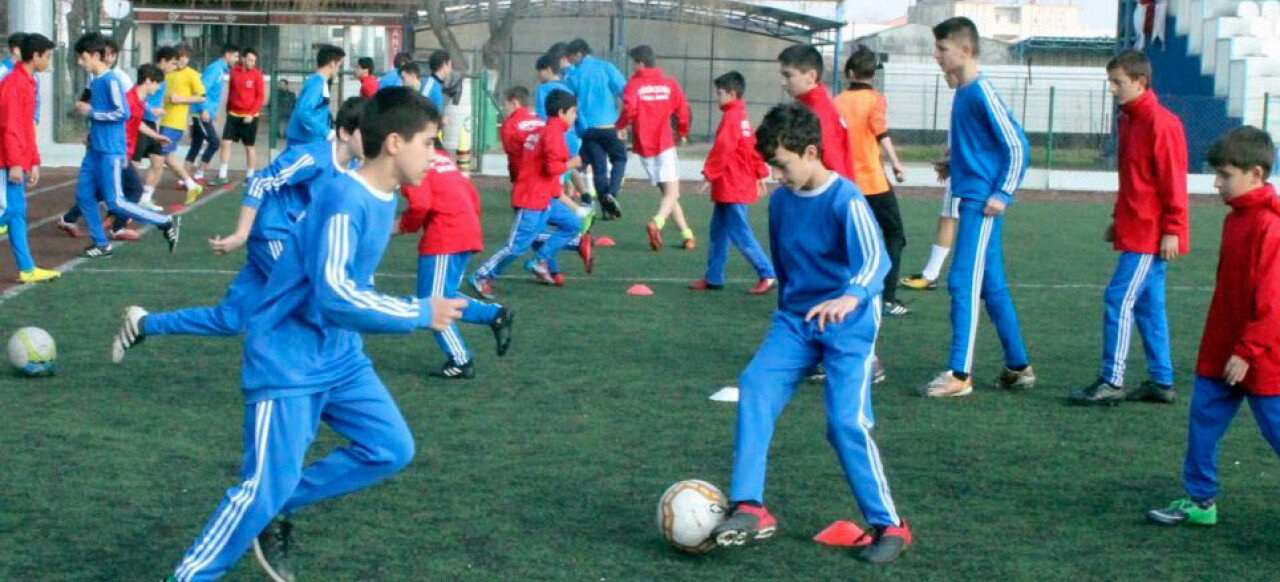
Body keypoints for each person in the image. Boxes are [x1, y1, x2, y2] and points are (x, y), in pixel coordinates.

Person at [159, 87, 466, 582]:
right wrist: (417, 311)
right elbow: (337, 295)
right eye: (429, 143)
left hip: (339, 356)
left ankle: (276, 505)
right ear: (393, 142)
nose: (437, 155)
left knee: (390, 447)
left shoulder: (384, 197)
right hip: (289, 359)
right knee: (259, 489)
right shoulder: (346, 197)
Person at [709, 103, 911, 564]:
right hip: (797, 321)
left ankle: (890, 525)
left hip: (849, 323)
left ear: (811, 152)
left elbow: (875, 262)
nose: (777, 176)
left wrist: (850, 296)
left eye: (782, 164)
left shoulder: (847, 200)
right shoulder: (781, 202)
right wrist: (790, 325)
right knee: (756, 386)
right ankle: (750, 506)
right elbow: (784, 263)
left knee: (844, 423)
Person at [111, 97, 368, 364]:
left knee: (231, 319)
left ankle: (142, 323)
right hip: (273, 237)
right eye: (368, 133)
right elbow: (259, 183)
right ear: (345, 133)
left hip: (289, 241)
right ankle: (322, 371)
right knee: (315, 297)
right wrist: (242, 234)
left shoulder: (349, 170)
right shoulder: (312, 158)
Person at [1145, 126, 1280, 528]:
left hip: (1259, 355)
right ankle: (1201, 500)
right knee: (1202, 421)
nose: (1216, 183)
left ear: (1255, 174)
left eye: (1225, 175)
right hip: (1222, 349)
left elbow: (1274, 303)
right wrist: (1227, 348)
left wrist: (1247, 351)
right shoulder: (1236, 219)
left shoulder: (1270, 227)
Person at [919, 17, 1035, 398]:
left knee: (961, 281)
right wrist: (952, 163)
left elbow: (1017, 145)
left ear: (965, 50)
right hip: (972, 195)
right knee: (992, 286)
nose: (936, 56)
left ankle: (960, 374)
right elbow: (981, 146)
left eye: (942, 49)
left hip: (981, 205)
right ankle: (1018, 366)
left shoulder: (981, 91)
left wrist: (1002, 193)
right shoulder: (963, 92)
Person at [1070, 49, 1189, 406]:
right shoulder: (1130, 120)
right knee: (1149, 307)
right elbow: (1134, 180)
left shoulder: (1161, 123)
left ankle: (1112, 379)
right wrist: (1116, 218)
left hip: (1150, 233)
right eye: (1111, 81)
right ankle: (1161, 381)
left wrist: (1173, 228)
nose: (1112, 89)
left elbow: (1173, 182)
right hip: (1136, 227)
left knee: (1118, 299)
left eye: (1117, 82)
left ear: (1140, 82)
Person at [396, 145, 515, 379]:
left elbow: (420, 204)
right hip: (464, 230)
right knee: (445, 296)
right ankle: (495, 315)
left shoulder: (414, 158)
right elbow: (472, 195)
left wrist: (403, 226)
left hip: (445, 236)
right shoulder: (442, 159)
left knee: (432, 303)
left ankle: (460, 360)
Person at [72, 33, 179, 259]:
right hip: (95, 149)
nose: (80, 63)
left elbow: (123, 113)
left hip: (110, 151)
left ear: (94, 56)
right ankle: (101, 243)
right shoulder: (95, 80)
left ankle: (165, 221)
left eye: (82, 58)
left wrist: (92, 112)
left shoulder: (111, 80)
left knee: (115, 201)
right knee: (84, 196)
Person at [470, 89, 586, 298]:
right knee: (516, 246)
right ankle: (482, 275)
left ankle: (541, 259)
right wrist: (574, 162)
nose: (575, 116)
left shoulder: (546, 130)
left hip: (543, 197)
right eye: (573, 112)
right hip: (531, 199)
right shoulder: (551, 133)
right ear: (561, 112)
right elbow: (552, 169)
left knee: (572, 225)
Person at [834, 45, 909, 316]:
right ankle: (888, 298)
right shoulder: (876, 99)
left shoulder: (837, 101)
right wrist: (896, 163)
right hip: (873, 182)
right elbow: (880, 131)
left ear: (850, 73)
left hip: (844, 183)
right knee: (894, 235)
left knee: (846, 239)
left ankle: (841, 292)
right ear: (872, 75)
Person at [60, 63, 172, 242]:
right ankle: (117, 227)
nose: (158, 88)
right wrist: (121, 153)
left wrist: (156, 137)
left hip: (117, 151)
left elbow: (136, 123)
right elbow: (117, 121)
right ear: (148, 81)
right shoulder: (127, 98)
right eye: (157, 84)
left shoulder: (139, 101)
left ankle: (71, 219)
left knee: (102, 191)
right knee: (132, 189)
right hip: (115, 152)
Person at [691, 71, 773, 295]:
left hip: (732, 185)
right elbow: (750, 147)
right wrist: (760, 173)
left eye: (720, 93)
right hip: (733, 184)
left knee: (739, 232)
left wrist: (708, 175)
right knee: (718, 232)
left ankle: (767, 273)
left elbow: (724, 149)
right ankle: (713, 277)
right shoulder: (741, 117)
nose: (717, 98)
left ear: (732, 94)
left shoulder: (732, 118)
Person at [616, 45, 695, 251]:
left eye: (634, 63)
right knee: (672, 193)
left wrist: (621, 126)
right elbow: (683, 110)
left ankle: (687, 235)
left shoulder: (634, 84)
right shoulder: (669, 84)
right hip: (664, 143)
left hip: (644, 147)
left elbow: (628, 108)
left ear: (640, 63)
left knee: (668, 194)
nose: (633, 67)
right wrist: (684, 132)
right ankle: (656, 223)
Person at [0, 32, 59, 283]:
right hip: (5, 161)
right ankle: (26, 267)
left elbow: (26, 128)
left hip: (14, 159)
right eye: (47, 56)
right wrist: (15, 162)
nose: (49, 61)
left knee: (16, 212)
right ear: (34, 56)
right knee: (9, 211)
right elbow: (9, 126)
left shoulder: (28, 81)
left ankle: (26, 268)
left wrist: (33, 160)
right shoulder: (14, 83)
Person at [565, 38, 627, 218]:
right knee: (620, 159)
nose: (570, 62)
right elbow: (625, 91)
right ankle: (611, 193)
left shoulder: (574, 75)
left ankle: (606, 210)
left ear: (578, 54)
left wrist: (577, 126)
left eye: (571, 58)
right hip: (609, 125)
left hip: (588, 129)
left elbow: (569, 101)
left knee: (599, 166)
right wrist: (625, 120)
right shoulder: (606, 67)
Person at [777, 44, 851, 179]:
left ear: (811, 76)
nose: (783, 82)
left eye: (788, 75)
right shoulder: (812, 106)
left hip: (826, 196)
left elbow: (833, 163)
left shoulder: (817, 113)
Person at [158, 44, 207, 206]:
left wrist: (181, 99)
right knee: (166, 157)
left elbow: (201, 97)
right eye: (179, 57)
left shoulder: (191, 74)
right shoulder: (168, 73)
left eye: (185, 57)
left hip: (175, 122)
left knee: (161, 156)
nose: (182, 60)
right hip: (163, 120)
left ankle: (145, 193)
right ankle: (190, 184)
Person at [186, 43, 239, 186]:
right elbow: (201, 89)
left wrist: (211, 111)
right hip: (200, 113)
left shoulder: (221, 70)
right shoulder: (215, 69)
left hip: (203, 112)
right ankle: (198, 174)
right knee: (214, 142)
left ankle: (184, 178)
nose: (237, 59)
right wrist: (204, 109)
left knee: (196, 145)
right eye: (235, 56)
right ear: (227, 55)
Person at [218, 47, 265, 184]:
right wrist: (227, 109)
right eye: (250, 60)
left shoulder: (257, 75)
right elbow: (231, 92)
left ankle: (250, 175)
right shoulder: (233, 72)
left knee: (249, 146)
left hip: (250, 116)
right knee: (226, 143)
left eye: (254, 61)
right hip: (233, 115)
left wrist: (251, 114)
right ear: (243, 59)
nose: (252, 63)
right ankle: (222, 174)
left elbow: (260, 97)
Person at [285, 44, 344, 146]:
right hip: (303, 142)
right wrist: (326, 132)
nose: (339, 69)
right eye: (339, 65)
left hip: (308, 140)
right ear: (332, 64)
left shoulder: (318, 82)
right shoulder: (316, 84)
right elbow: (303, 112)